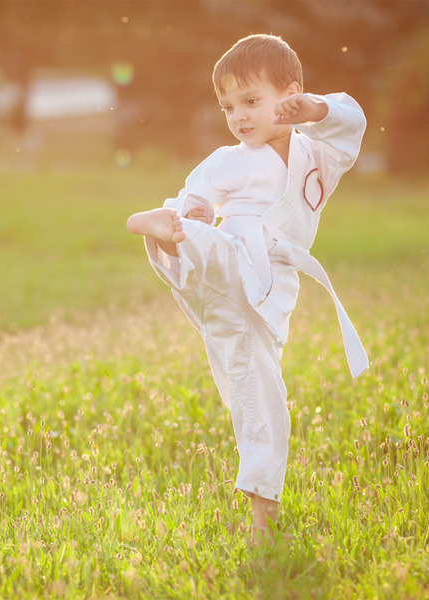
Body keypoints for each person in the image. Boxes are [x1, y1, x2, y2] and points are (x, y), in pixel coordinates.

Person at [126, 34, 369, 541]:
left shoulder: (318, 154)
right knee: (198, 236)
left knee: (259, 392)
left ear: (291, 95)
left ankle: (264, 511)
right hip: (230, 256)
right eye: (228, 106)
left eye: (251, 101)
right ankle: (169, 232)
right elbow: (198, 191)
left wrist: (317, 108)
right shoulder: (227, 159)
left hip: (273, 284)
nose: (238, 116)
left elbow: (352, 122)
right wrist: (190, 210)